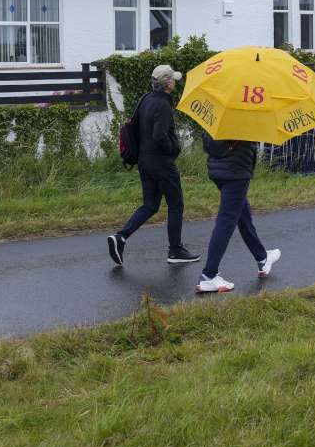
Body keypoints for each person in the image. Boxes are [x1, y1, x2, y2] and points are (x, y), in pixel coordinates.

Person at [107, 65, 200, 266]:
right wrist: (173, 149)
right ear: (167, 84)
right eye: (173, 79)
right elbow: (159, 136)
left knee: (150, 204)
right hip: (161, 162)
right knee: (176, 204)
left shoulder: (145, 100)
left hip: (144, 161)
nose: (175, 82)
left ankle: (120, 237)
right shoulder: (163, 105)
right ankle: (175, 251)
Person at [195, 131, 280, 293]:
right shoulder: (244, 117)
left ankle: (262, 258)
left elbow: (208, 142)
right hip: (236, 172)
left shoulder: (222, 114)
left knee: (242, 214)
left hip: (218, 169)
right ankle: (208, 276)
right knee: (226, 221)